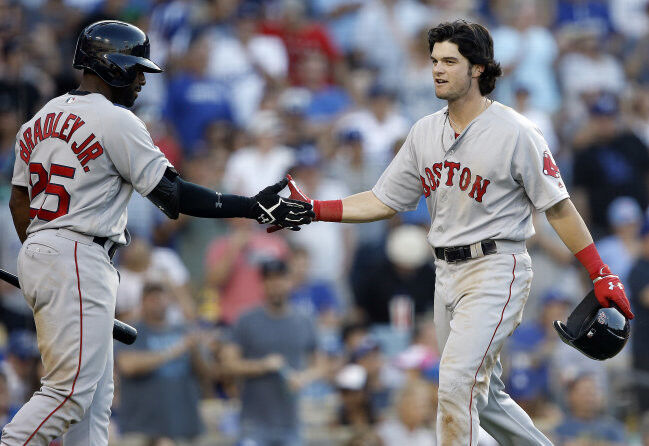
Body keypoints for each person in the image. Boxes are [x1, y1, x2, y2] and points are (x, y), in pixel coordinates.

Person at [276, 20, 634, 445]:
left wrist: (599, 271)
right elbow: (383, 200)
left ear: (478, 69)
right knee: (487, 398)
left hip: (496, 266)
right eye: (434, 61)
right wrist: (316, 209)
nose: (437, 70)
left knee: (455, 387)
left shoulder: (516, 132)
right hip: (445, 274)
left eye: (450, 61)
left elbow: (557, 206)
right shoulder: (424, 131)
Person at [4, 20, 313, 445]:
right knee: (71, 394)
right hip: (78, 252)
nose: (141, 81)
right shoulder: (114, 120)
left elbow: (19, 202)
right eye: (134, 69)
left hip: (47, 247)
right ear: (108, 65)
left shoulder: (39, 118)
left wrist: (41, 255)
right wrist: (252, 205)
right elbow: (173, 195)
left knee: (93, 401)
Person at [221, 259, 325, 446]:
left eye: (280, 279)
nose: (275, 285)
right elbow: (228, 364)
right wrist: (262, 366)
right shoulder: (246, 319)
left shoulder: (304, 320)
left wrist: (304, 377)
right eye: (269, 279)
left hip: (290, 424)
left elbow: (321, 365)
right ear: (262, 284)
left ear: (290, 281)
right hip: (253, 424)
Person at [115, 282, 209, 443]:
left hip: (183, 425)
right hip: (140, 426)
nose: (158, 302)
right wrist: (174, 350)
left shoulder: (184, 330)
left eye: (162, 297)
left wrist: (195, 351)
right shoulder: (132, 331)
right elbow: (128, 365)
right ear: (143, 302)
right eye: (152, 298)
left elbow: (207, 373)